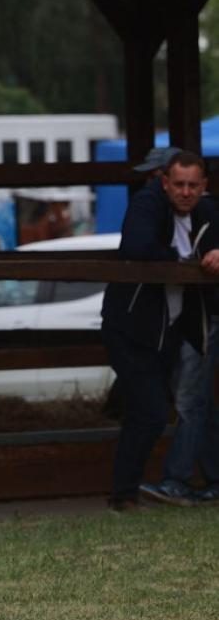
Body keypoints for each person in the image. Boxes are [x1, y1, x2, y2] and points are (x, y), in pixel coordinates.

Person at [102, 150, 219, 510]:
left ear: (204, 185)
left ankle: (161, 485)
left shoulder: (205, 210)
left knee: (189, 401)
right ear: (164, 182)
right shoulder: (148, 202)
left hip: (176, 328)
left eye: (193, 185)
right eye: (178, 184)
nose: (186, 192)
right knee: (153, 409)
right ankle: (130, 492)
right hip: (135, 329)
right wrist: (185, 262)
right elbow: (136, 247)